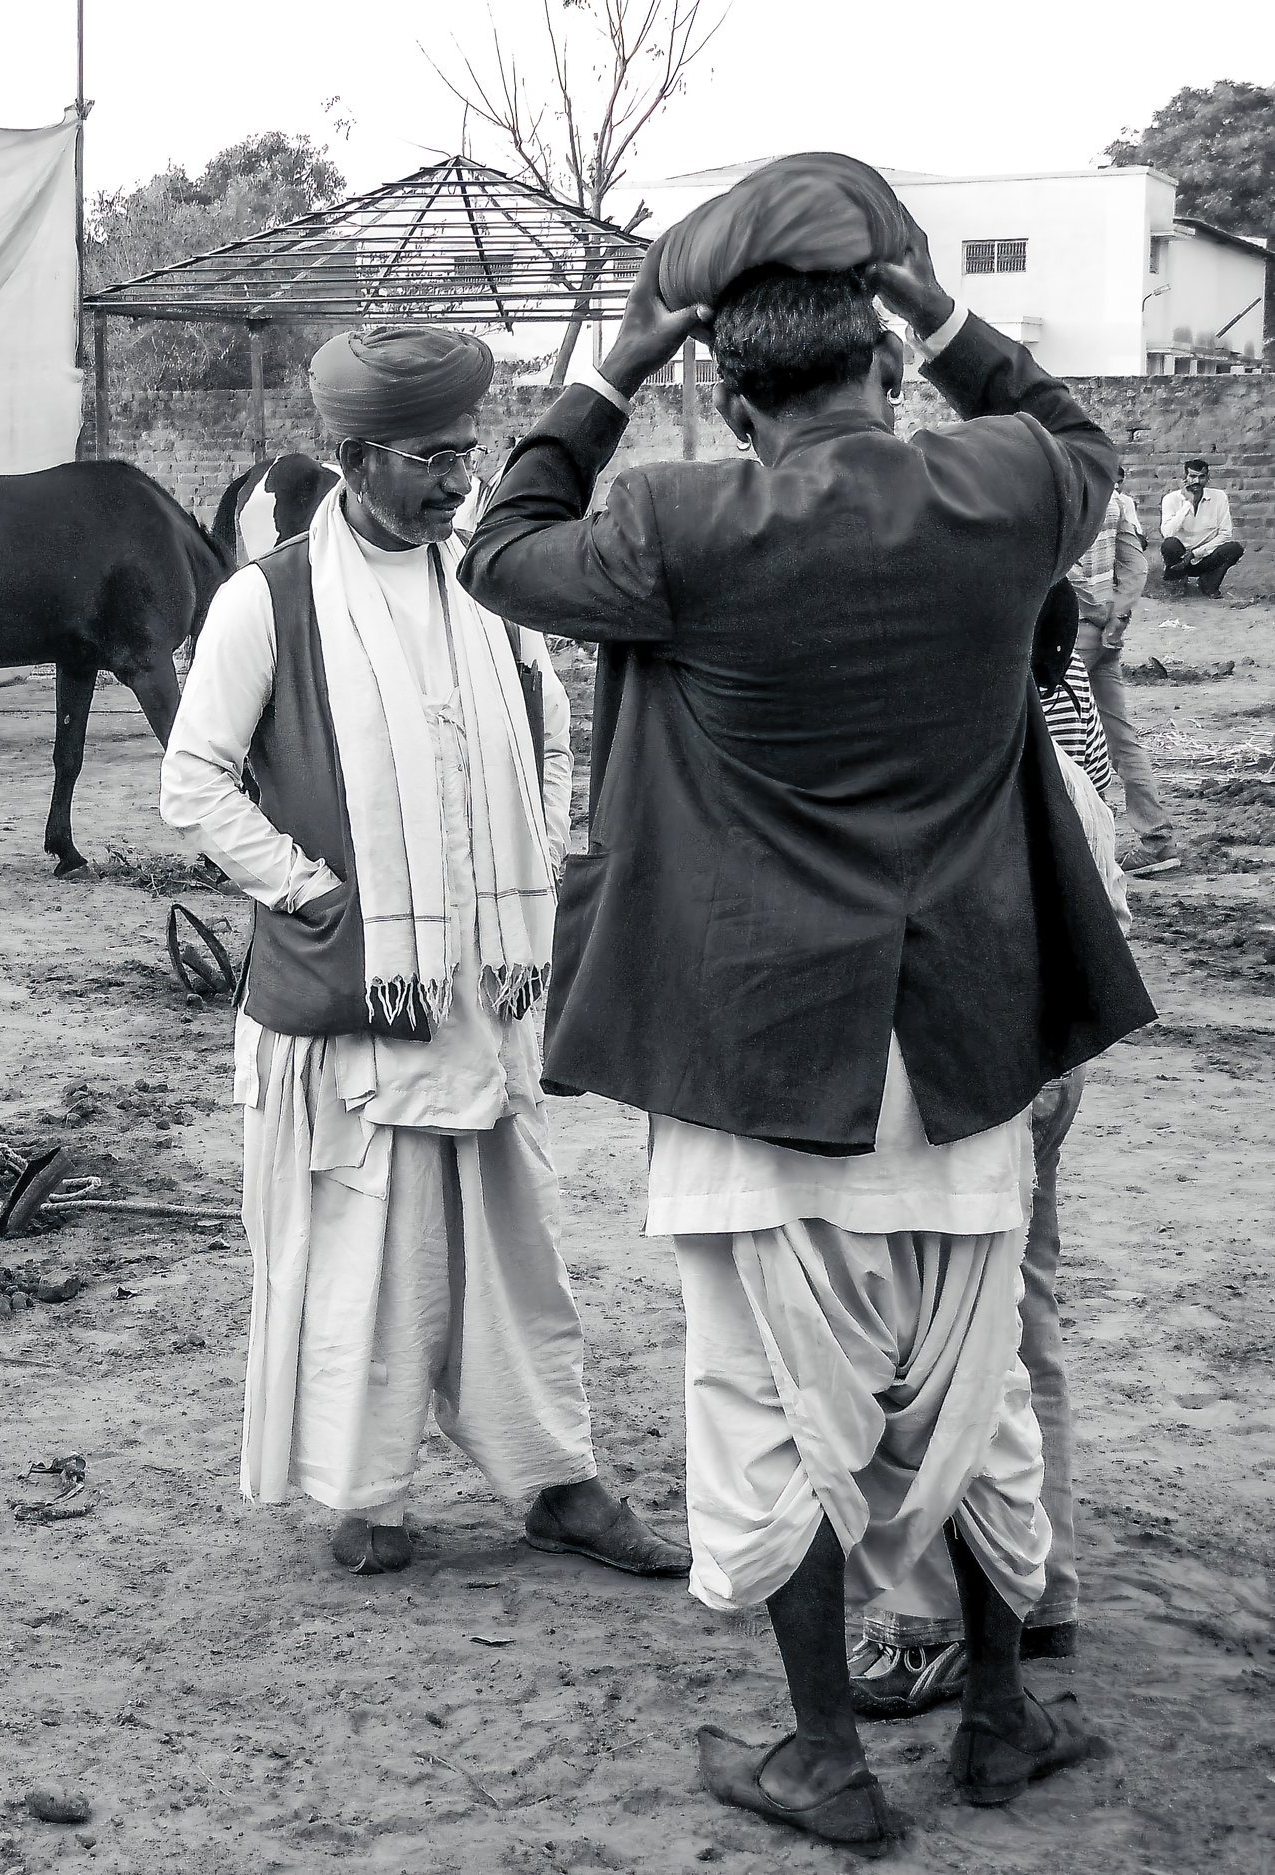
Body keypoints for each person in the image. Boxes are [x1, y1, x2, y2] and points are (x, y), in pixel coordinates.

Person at [460, 154, 1153, 1853]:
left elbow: (501, 547)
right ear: (890, 365)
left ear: (727, 393)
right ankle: (996, 1720)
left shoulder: (679, 527)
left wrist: (617, 363)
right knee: (976, 1399)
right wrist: (934, 297)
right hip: (971, 1042)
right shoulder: (998, 493)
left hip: (764, 1050)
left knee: (770, 1416)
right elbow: (1083, 440)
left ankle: (827, 1761)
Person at [160, 324, 687, 1583]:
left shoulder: (496, 584)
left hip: (483, 992)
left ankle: (556, 1482)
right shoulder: (268, 598)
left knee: (519, 1251)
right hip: (357, 997)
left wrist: (531, 875)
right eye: (432, 459)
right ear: (352, 459)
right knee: (366, 1254)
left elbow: (554, 732)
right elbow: (194, 781)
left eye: (468, 453)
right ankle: (367, 1494)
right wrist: (314, 895)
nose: (461, 482)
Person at [847, 583, 1130, 1719]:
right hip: (1042, 1074)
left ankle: (934, 1618)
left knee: (945, 1348)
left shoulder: (983, 768)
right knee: (1022, 1325)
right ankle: (1037, 1587)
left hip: (985, 1085)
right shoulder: (1062, 763)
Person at [1074, 465, 1180, 873]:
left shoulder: (1057, 503)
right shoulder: (1118, 503)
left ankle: (1077, 848)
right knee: (1121, 740)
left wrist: (1094, 613)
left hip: (1070, 636)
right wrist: (1116, 616)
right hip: (1107, 635)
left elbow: (1065, 572)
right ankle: (1157, 839)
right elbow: (1136, 569)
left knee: (1056, 738)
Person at [1160, 457, 1243, 596]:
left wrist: (1195, 553)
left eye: (1201, 477)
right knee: (1170, 544)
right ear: (1185, 478)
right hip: (1180, 559)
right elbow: (1167, 533)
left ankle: (1208, 582)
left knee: (1234, 548)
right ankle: (1177, 583)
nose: (1197, 481)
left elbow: (1225, 533)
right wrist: (1188, 503)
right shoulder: (1171, 499)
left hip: (1205, 556)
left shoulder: (1219, 497)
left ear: (1208, 478)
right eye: (1192, 476)